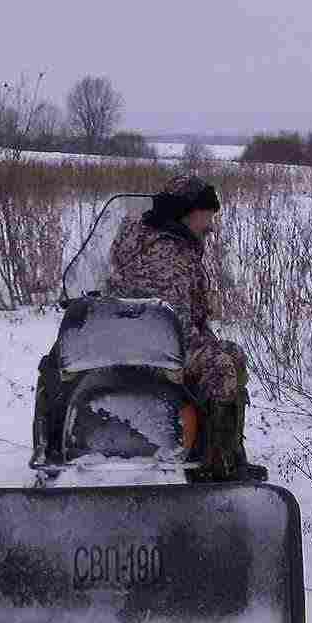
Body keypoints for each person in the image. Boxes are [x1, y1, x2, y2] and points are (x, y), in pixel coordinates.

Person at [105, 173, 251, 479]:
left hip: (119, 335)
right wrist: (206, 343)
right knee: (223, 368)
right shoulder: (171, 252)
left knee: (232, 355)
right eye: (206, 216)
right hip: (157, 345)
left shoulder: (137, 231)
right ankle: (214, 469)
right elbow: (179, 326)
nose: (210, 225)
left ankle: (226, 451)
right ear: (186, 211)